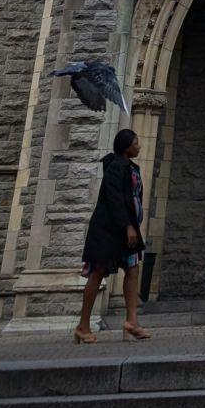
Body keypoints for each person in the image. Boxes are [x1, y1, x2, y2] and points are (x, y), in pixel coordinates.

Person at [74, 127, 150, 343]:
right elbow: (115, 198)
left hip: (127, 230)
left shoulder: (131, 167)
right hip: (109, 231)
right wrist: (128, 226)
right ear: (126, 147)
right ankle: (83, 326)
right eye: (135, 143)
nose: (139, 146)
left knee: (132, 269)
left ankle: (132, 321)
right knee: (97, 272)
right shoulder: (115, 167)